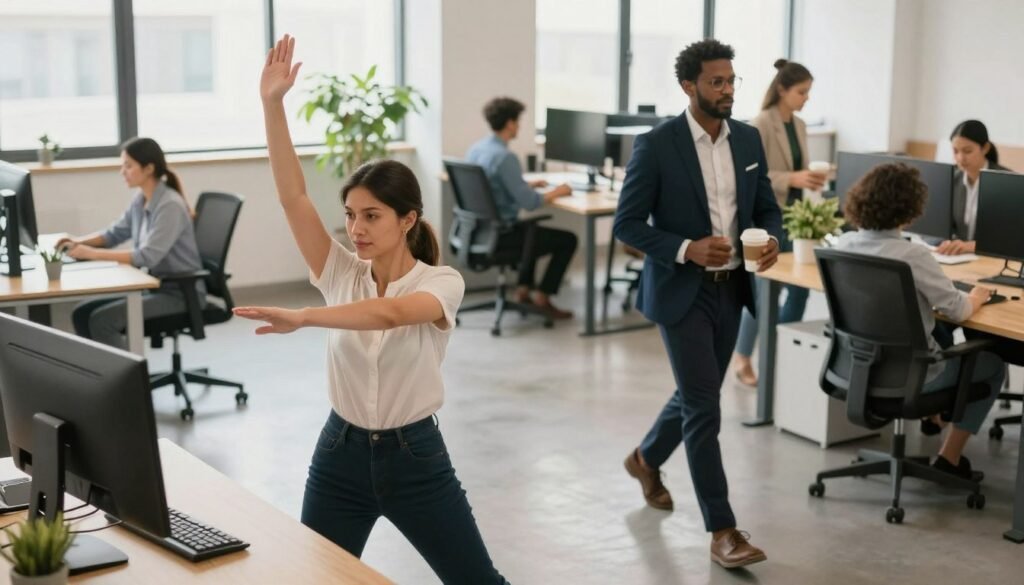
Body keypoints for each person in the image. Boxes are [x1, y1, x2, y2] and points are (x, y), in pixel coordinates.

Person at [236, 35, 508, 584]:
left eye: (372, 216)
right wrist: (272, 105)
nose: (356, 229)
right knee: (316, 577)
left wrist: (305, 318)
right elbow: (293, 197)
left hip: (416, 460)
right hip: (339, 453)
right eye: (351, 215)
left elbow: (388, 315)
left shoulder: (443, 282)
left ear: (407, 219)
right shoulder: (340, 272)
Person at [613, 39, 782, 569]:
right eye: (716, 81)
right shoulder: (657, 144)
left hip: (733, 289)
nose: (727, 89)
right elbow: (627, 224)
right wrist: (686, 249)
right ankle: (723, 529)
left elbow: (767, 209)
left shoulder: (750, 140)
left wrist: (773, 240)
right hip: (681, 293)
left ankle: (645, 459)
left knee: (696, 392)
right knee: (705, 407)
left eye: (731, 80)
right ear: (689, 86)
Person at [838, 163, 1004, 479]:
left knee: (939, 330)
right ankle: (950, 458)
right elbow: (958, 310)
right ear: (910, 210)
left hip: (856, 368)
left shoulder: (843, 246)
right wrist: (977, 297)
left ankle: (937, 418)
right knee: (992, 362)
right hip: (913, 376)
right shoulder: (913, 256)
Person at [58, 137, 204, 350]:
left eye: (128, 166)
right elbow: (115, 233)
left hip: (180, 293)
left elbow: (147, 256)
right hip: (154, 285)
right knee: (82, 313)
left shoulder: (169, 205)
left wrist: (91, 253)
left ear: (148, 169)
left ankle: (127, 380)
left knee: (102, 321)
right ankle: (102, 376)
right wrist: (77, 242)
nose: (122, 172)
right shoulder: (141, 199)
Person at [732, 59, 824, 386]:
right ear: (782, 89)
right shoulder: (760, 124)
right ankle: (743, 357)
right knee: (762, 293)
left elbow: (799, 168)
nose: (806, 98)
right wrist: (793, 178)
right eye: (802, 92)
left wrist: (811, 178)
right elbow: (754, 175)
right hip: (770, 217)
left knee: (798, 292)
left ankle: (781, 352)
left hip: (797, 220)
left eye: (809, 92)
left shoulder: (799, 125)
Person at [465, 97, 577, 319]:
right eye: (518, 121)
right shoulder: (505, 157)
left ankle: (523, 291)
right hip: (502, 236)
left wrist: (525, 184)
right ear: (510, 123)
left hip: (478, 232)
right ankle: (543, 297)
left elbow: (491, 186)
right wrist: (560, 191)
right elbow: (530, 203)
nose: (519, 126)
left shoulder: (477, 149)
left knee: (531, 232)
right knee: (567, 240)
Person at [935, 120, 1011, 256]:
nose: (960, 158)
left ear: (985, 148)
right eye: (955, 151)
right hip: (959, 258)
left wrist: (973, 246)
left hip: (992, 259)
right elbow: (941, 228)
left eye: (967, 151)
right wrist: (947, 242)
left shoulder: (1007, 183)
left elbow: (1011, 236)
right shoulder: (952, 180)